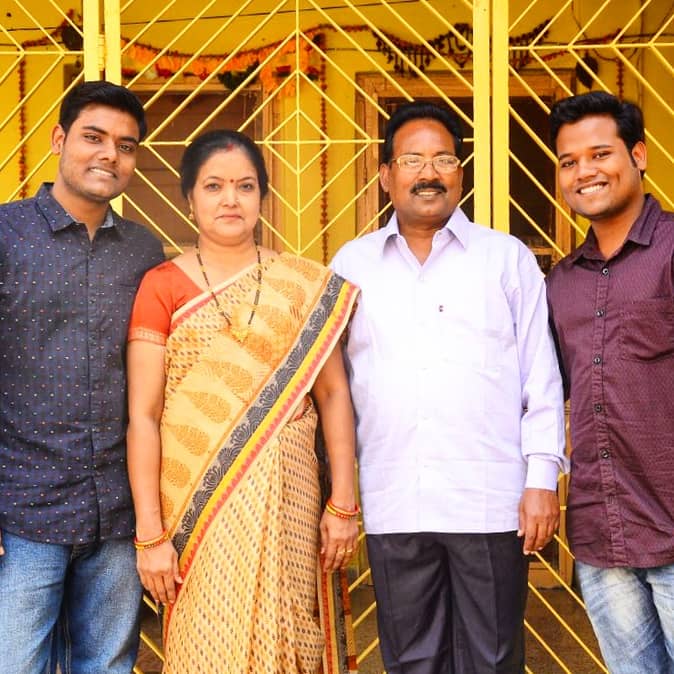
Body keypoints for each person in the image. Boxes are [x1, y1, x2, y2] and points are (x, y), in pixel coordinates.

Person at [331, 100, 568, 673]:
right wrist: (338, 496)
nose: (428, 173)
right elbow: (331, 388)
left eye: (442, 159)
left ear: (460, 173)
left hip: (488, 502)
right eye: (412, 160)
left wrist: (542, 480)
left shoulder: (505, 259)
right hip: (395, 500)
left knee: (493, 659)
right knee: (412, 661)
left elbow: (542, 377)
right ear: (385, 175)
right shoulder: (351, 266)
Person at [126, 129, 360, 673]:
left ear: (262, 197)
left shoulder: (301, 284)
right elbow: (143, 415)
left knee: (289, 634)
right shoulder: (161, 285)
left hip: (291, 494)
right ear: (190, 198)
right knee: (207, 642)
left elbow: (333, 394)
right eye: (214, 186)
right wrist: (150, 535)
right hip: (197, 501)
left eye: (245, 186)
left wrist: (343, 503)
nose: (230, 199)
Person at [0, 81, 164, 673]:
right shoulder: (6, 235)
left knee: (108, 666)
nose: (109, 155)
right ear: (58, 140)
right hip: (21, 510)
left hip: (116, 513)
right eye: (94, 137)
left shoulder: (143, 252)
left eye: (126, 145)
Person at [546, 91, 674, 674]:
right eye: (569, 161)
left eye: (600, 154)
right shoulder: (562, 283)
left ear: (638, 155)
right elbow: (544, 391)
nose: (584, 172)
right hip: (603, 535)